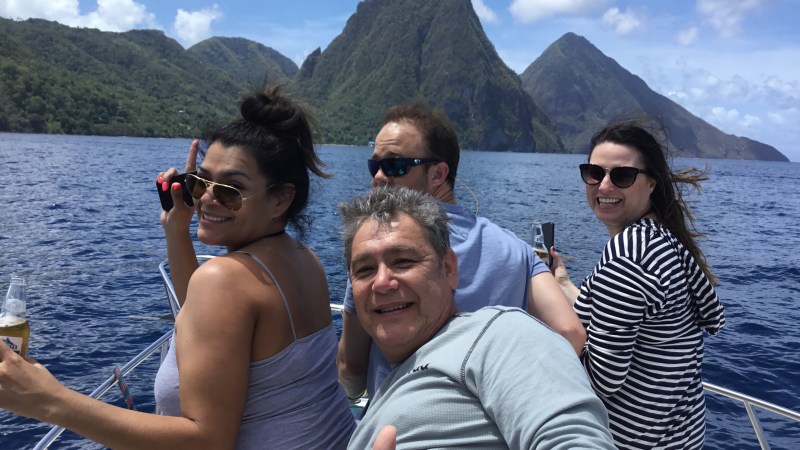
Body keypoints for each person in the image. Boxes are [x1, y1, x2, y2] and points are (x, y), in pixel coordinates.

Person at [0, 86, 356, 449]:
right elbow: (207, 323)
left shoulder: (224, 280)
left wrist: (50, 401)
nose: (205, 198)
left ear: (281, 198)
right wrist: (176, 228)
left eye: (230, 190)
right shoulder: (301, 259)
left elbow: (207, 441)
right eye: (200, 181)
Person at [337, 100, 585, 401]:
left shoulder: (377, 253)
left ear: (438, 175)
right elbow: (570, 334)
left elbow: (351, 370)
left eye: (394, 166)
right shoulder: (518, 251)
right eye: (374, 165)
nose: (378, 177)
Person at [340, 186, 616, 449]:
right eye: (364, 269)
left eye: (403, 262)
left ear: (448, 269)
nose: (382, 282)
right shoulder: (396, 380)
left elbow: (574, 439)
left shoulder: (501, 336)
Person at [549, 119, 726, 449]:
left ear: (651, 184)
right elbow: (617, 319)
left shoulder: (628, 258)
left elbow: (603, 380)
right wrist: (564, 286)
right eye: (594, 173)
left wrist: (544, 340)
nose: (604, 186)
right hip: (680, 435)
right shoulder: (661, 239)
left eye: (622, 176)